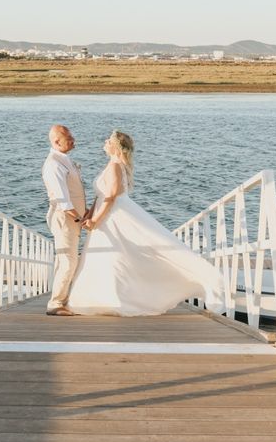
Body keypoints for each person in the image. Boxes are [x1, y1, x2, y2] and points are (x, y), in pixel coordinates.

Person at [66, 131, 226, 316]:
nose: (105, 141)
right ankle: (106, 298)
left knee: (118, 256)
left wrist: (95, 220)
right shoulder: (111, 165)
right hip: (104, 215)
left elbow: (110, 197)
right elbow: (101, 196)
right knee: (111, 256)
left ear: (116, 147)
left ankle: (116, 299)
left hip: (113, 216)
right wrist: (90, 213)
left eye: (109, 140)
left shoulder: (116, 166)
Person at [41, 124, 87, 316]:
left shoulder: (65, 160)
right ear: (57, 141)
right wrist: (80, 219)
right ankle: (55, 303)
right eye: (69, 138)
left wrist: (86, 212)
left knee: (67, 260)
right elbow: (63, 200)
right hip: (64, 219)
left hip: (73, 218)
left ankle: (63, 299)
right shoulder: (54, 164)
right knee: (68, 261)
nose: (73, 140)